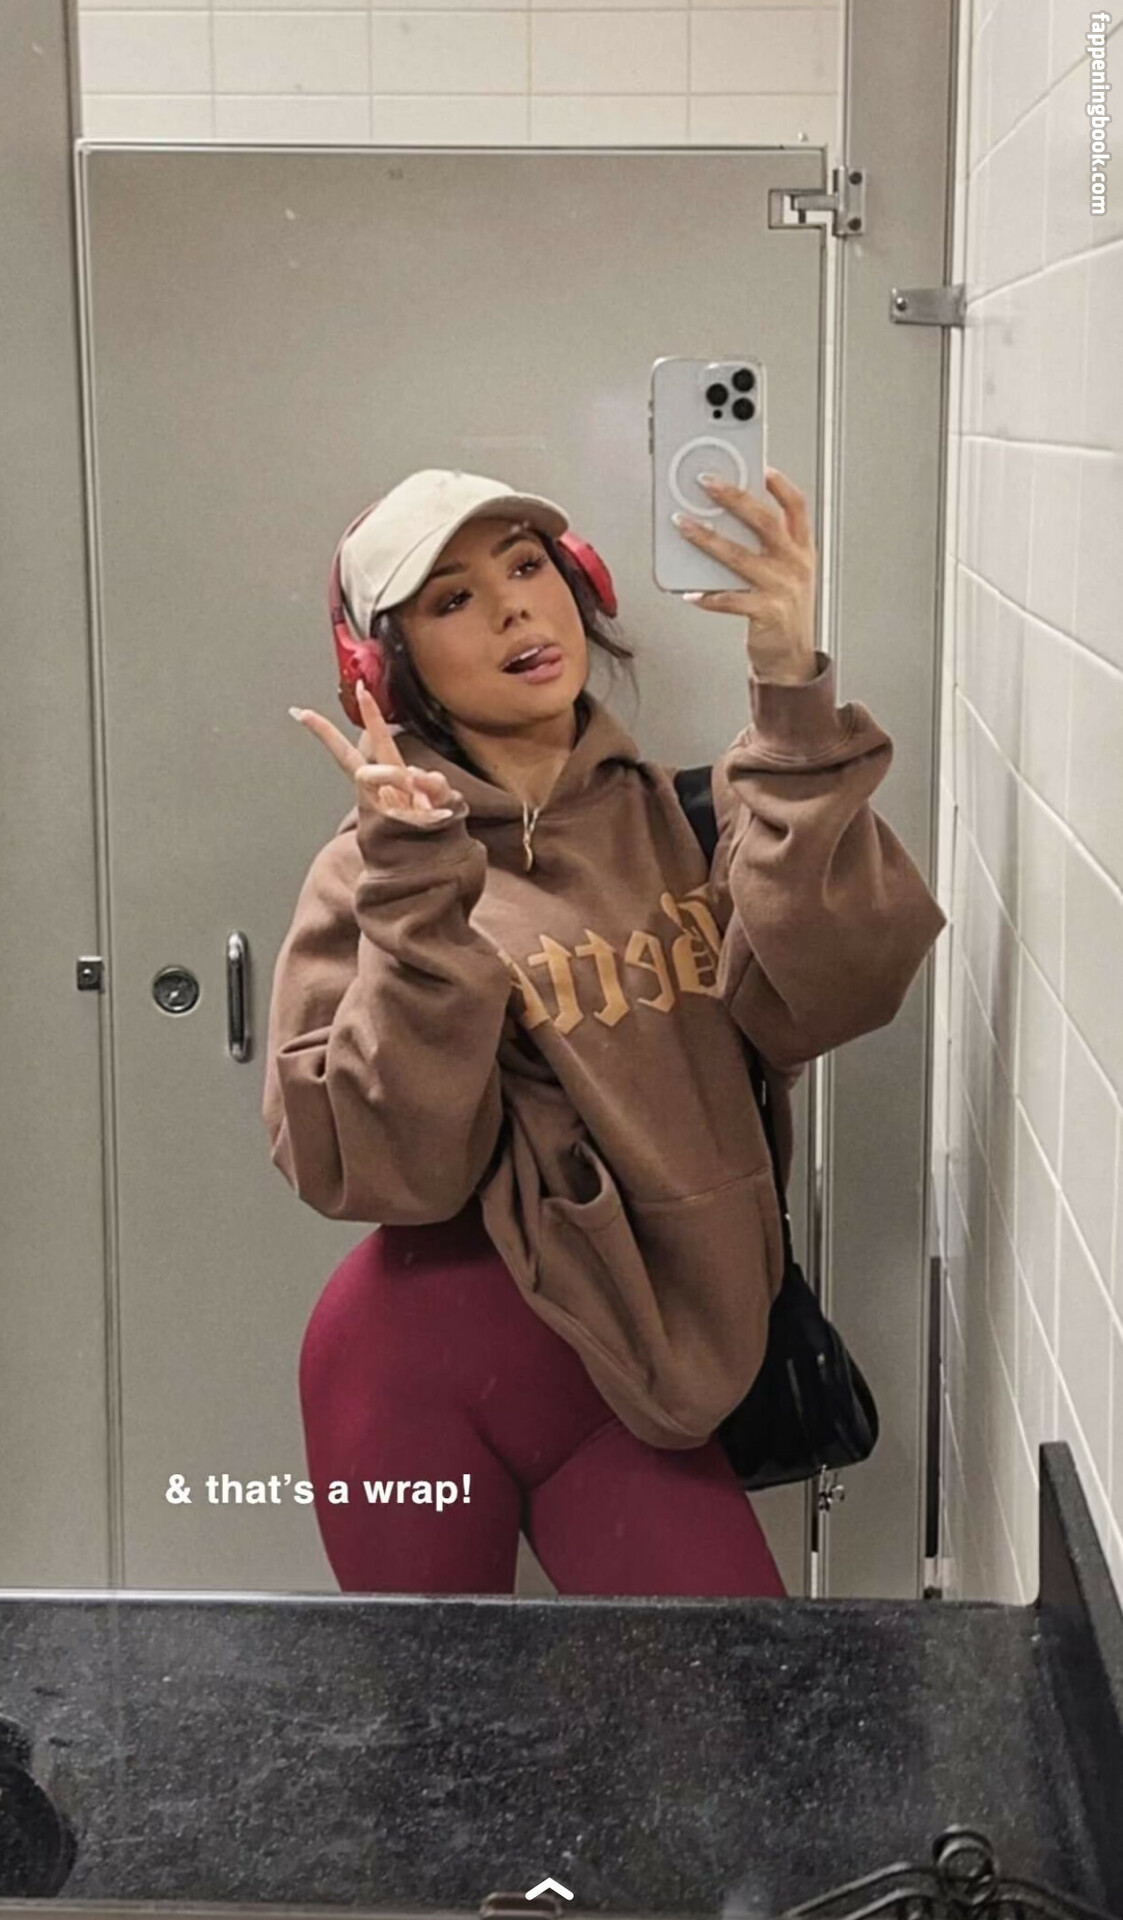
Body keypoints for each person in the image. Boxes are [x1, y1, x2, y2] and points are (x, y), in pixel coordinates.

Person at [263, 465, 947, 1598]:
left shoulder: (700, 816)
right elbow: (392, 1172)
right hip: (417, 1371)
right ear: (384, 669)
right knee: (436, 1707)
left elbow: (840, 992)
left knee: (732, 1695)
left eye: (527, 567)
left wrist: (790, 690)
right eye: (452, 599)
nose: (513, 610)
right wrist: (415, 885)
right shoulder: (374, 872)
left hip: (642, 1378)